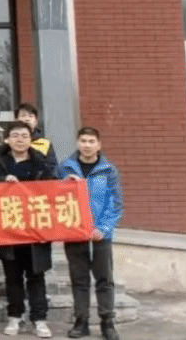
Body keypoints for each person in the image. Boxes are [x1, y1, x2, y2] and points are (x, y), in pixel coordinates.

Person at [0, 122, 57, 339]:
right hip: (8, 229)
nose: (20, 139)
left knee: (36, 277)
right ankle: (15, 316)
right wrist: (2, 180)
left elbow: (53, 189)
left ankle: (39, 319)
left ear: (31, 139)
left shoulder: (40, 162)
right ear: (7, 139)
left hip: (35, 230)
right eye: (15, 135)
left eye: (24, 135)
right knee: (12, 277)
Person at [58, 127, 123, 340]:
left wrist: (103, 228)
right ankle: (81, 321)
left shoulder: (108, 170)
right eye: (83, 141)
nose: (87, 145)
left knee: (104, 279)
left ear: (99, 145)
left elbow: (115, 204)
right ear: (78, 143)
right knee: (79, 280)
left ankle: (107, 322)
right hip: (75, 233)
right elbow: (54, 198)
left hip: (100, 235)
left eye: (91, 141)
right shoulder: (65, 168)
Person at [18, 103, 59, 169]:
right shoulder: (10, 142)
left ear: (36, 121)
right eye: (23, 116)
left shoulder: (44, 143)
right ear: (16, 120)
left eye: (30, 116)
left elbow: (53, 168)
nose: (27, 119)